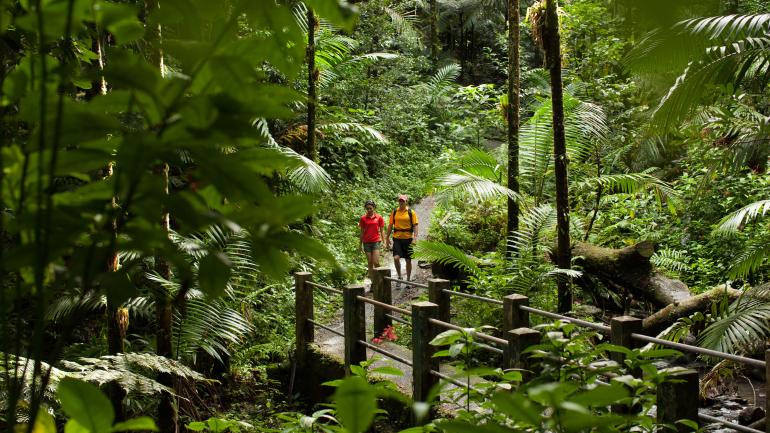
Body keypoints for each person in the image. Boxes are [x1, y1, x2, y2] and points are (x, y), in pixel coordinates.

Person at [385, 194, 419, 286]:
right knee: (396, 258)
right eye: (400, 201)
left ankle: (408, 279)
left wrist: (415, 238)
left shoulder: (411, 212)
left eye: (403, 201)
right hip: (397, 238)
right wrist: (387, 237)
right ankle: (399, 277)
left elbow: (415, 225)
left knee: (408, 260)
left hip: (408, 238)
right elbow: (390, 225)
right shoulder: (395, 212)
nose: (401, 202)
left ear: (406, 202)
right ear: (398, 201)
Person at [359, 199, 385, 276]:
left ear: (374, 207)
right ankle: (373, 282)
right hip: (366, 242)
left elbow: (382, 230)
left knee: (376, 262)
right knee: (370, 263)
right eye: (367, 208)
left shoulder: (379, 217)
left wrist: (384, 242)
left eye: (370, 208)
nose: (369, 210)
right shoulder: (363, 218)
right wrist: (360, 245)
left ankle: (382, 278)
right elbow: (362, 232)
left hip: (376, 241)